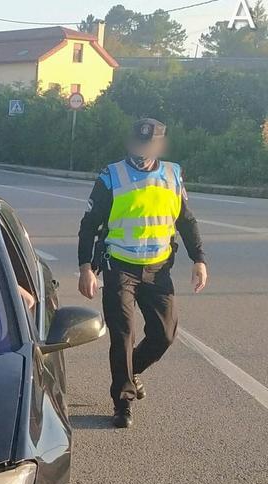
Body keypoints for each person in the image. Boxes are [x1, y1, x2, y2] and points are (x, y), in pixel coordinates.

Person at [77, 118, 208, 429]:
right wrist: (86, 267)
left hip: (159, 269)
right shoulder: (111, 176)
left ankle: (131, 371)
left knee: (164, 334)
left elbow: (185, 221)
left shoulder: (172, 174)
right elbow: (89, 225)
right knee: (123, 334)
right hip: (119, 266)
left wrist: (199, 259)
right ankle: (123, 402)